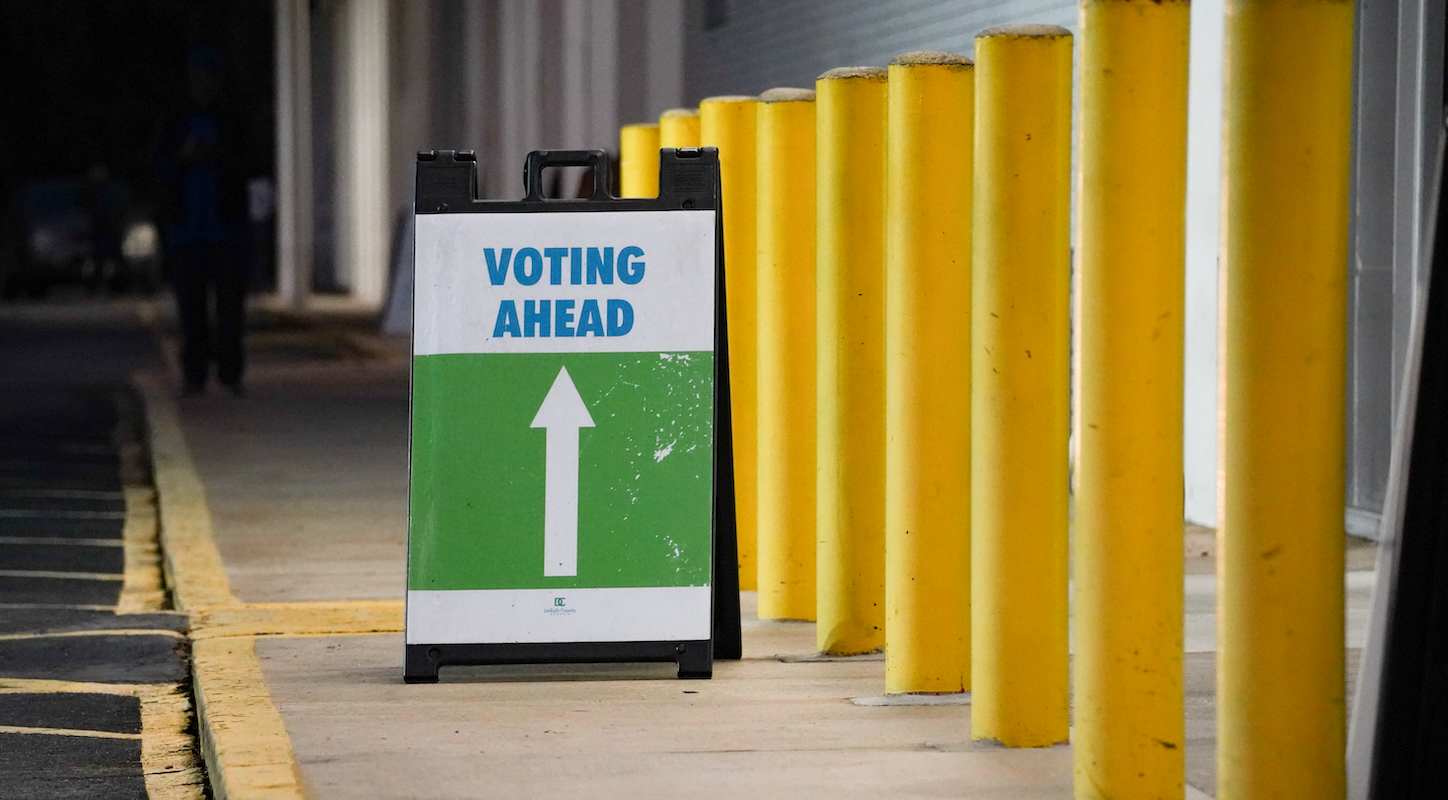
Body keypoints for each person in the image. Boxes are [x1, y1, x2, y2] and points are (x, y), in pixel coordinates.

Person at [153, 45, 248, 396]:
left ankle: (229, 374)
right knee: (191, 311)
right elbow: (159, 167)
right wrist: (184, 158)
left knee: (229, 311)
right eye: (197, 78)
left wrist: (216, 156)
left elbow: (246, 162)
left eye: (209, 77)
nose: (203, 85)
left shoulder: (231, 120)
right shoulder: (176, 121)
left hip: (226, 229)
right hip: (187, 230)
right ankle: (194, 375)